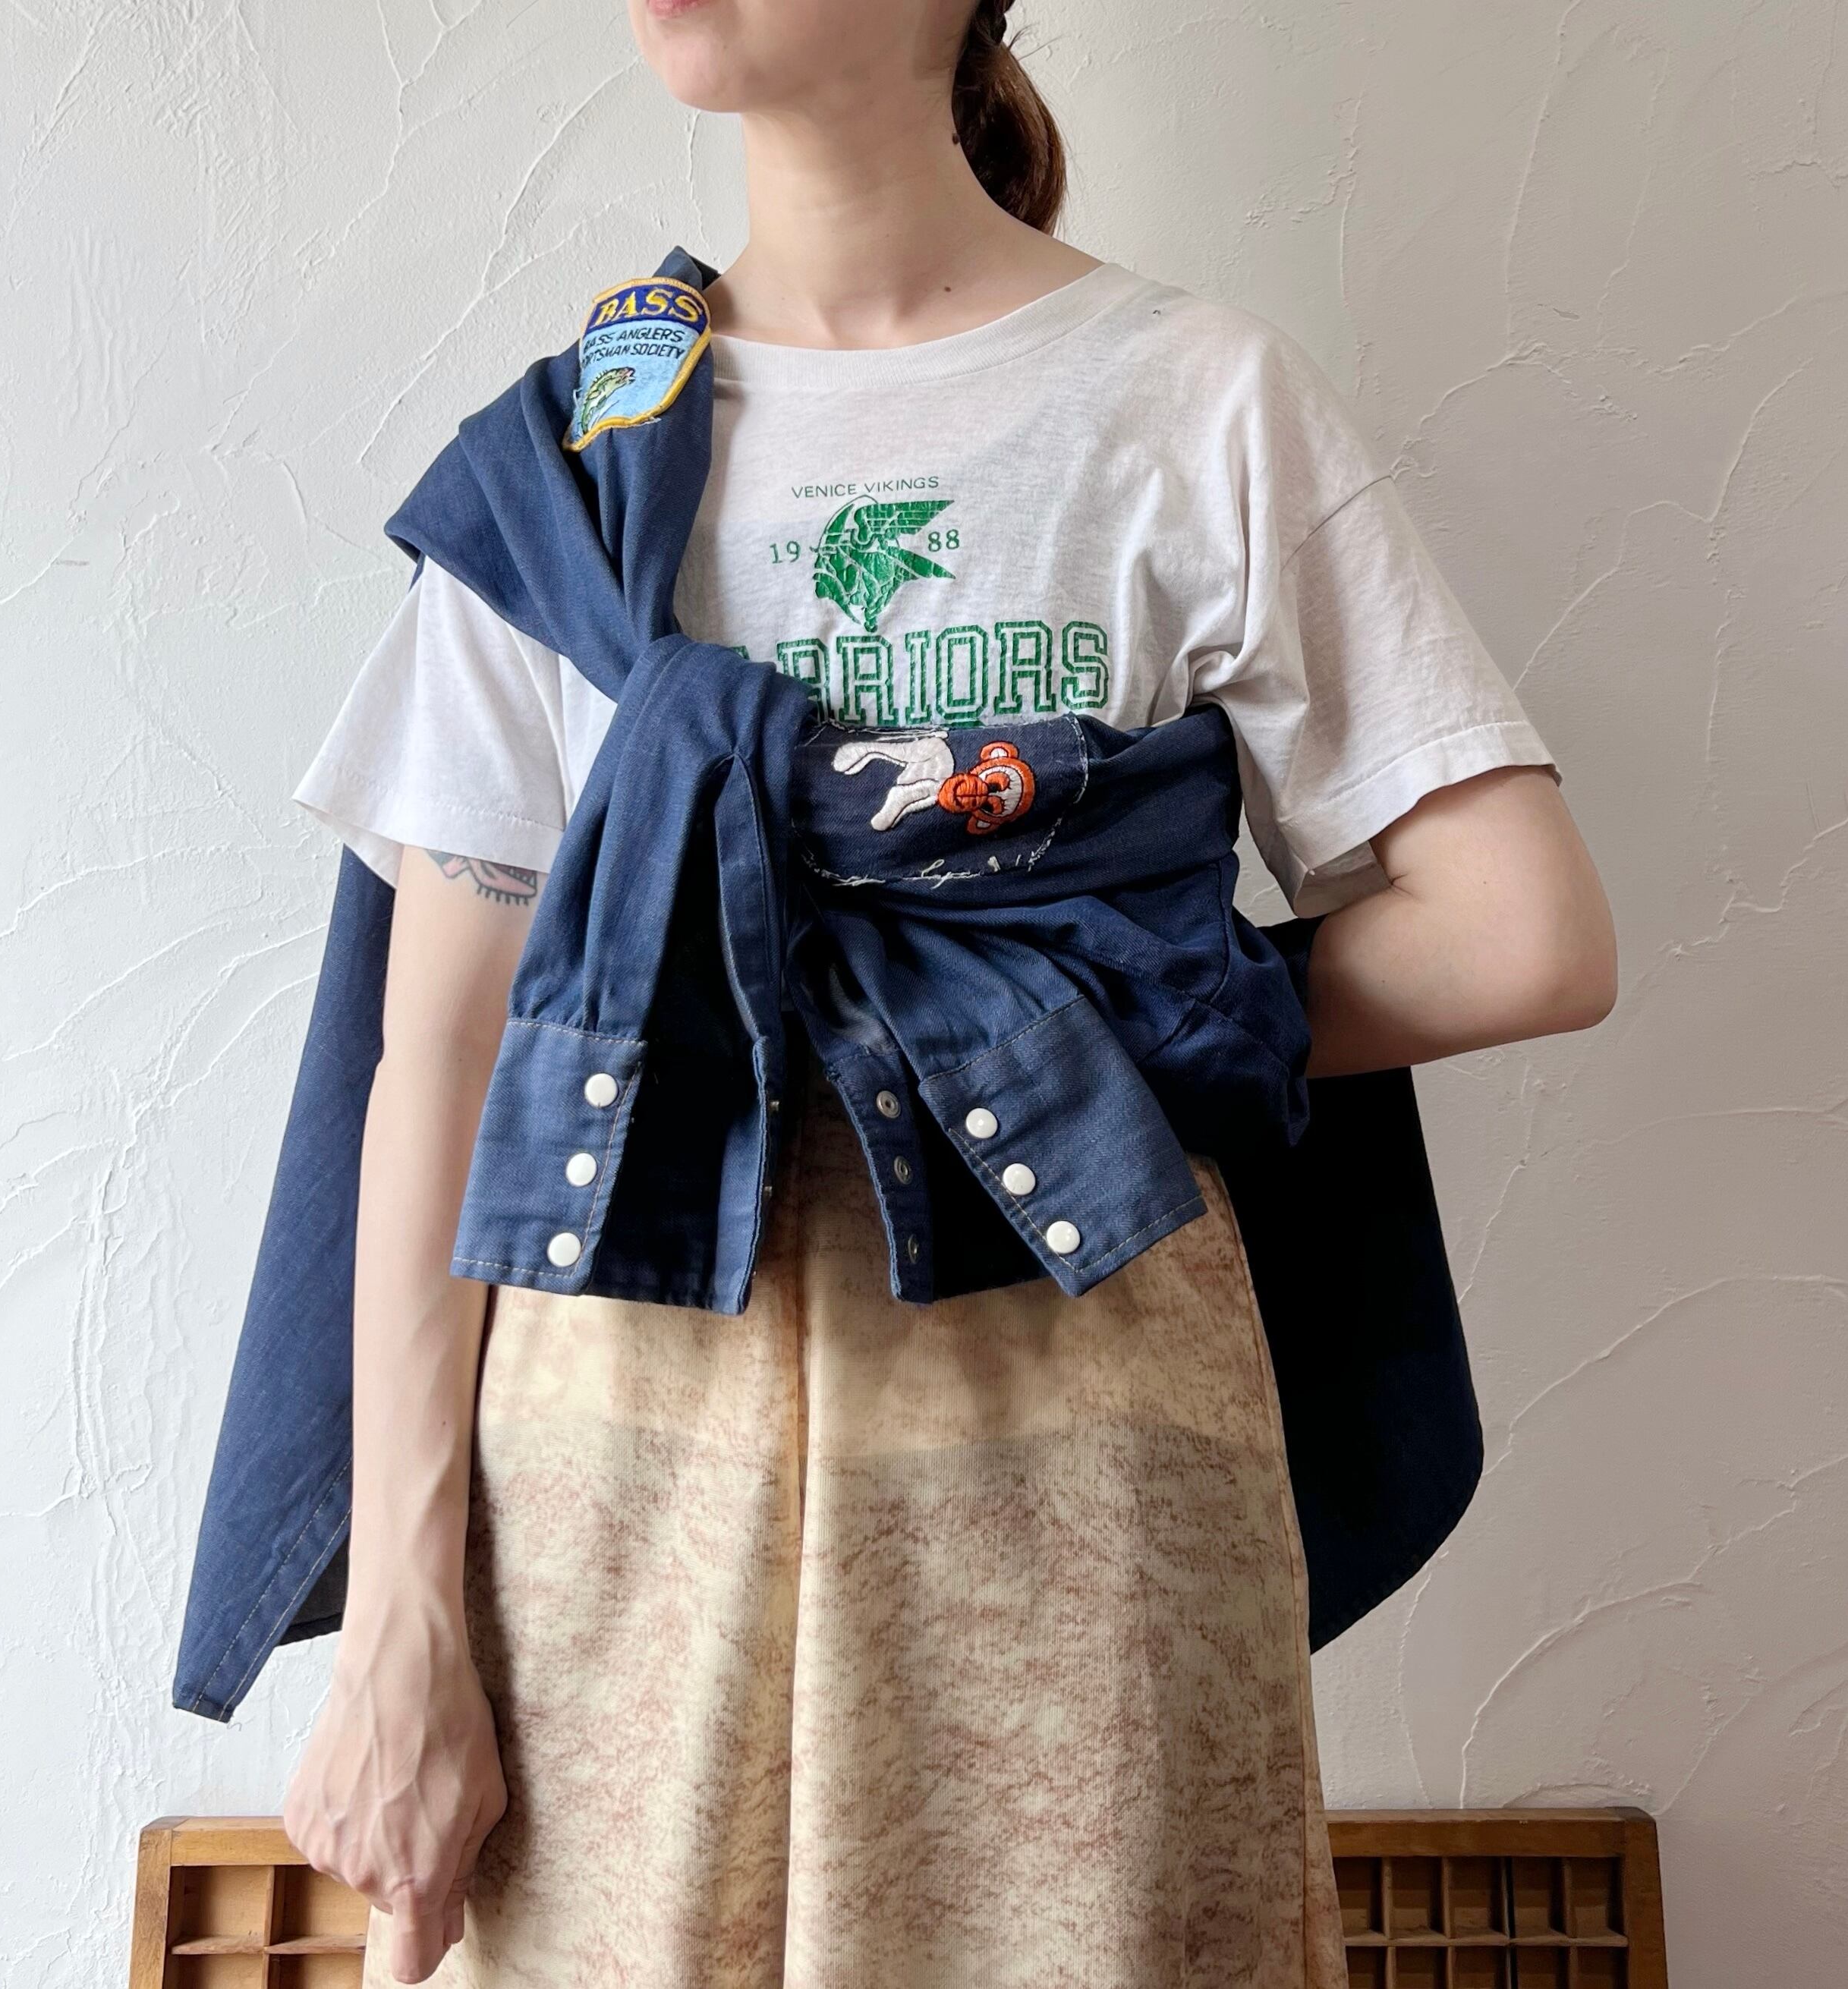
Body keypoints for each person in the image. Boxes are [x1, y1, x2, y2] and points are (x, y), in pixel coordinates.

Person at [276, 1, 1618, 1983]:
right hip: (614, 1511)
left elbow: (1522, 932)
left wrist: (1102, 1008)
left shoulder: (1192, 403)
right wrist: (400, 1628)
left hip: (1068, 1484)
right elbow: (446, 1055)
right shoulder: (578, 460)